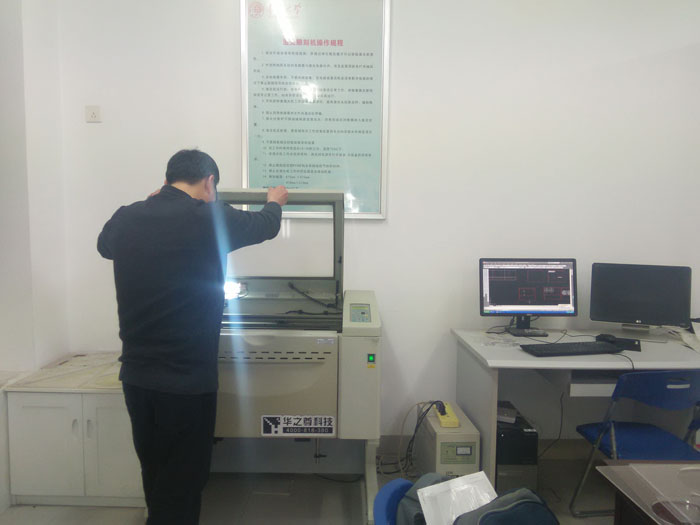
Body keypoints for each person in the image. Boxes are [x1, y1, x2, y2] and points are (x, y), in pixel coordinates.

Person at [97, 149, 288, 524]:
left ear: (166, 180)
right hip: (187, 384)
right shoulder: (210, 217)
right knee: (184, 482)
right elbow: (265, 225)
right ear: (209, 182)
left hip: (136, 379)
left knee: (155, 473)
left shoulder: (127, 216)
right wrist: (274, 201)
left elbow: (105, 245)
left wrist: (150, 204)